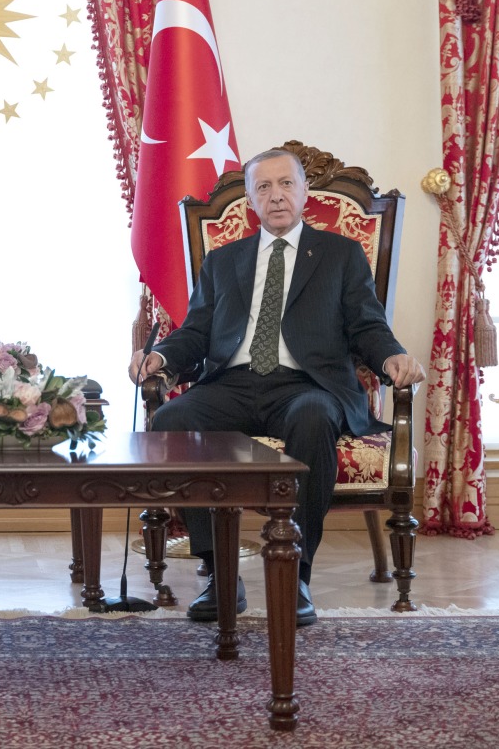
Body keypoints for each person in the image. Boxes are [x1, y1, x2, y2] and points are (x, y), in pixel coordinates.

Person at [129, 147, 424, 626]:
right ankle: (218, 571)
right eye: (263, 187)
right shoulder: (224, 261)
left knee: (313, 416)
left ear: (305, 192)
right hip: (233, 382)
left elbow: (367, 325)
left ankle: (297, 573)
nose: (276, 195)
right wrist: (159, 356)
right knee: (171, 419)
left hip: (306, 383)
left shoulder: (341, 254)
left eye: (286, 184)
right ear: (250, 200)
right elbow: (196, 331)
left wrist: (391, 354)